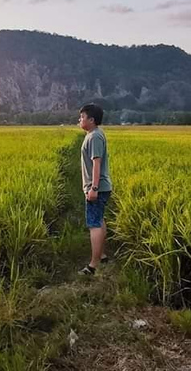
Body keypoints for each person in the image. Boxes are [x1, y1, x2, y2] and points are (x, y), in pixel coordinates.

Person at [77, 103, 113, 276]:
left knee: (94, 225)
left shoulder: (94, 137)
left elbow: (96, 164)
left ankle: (93, 265)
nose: (80, 120)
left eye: (82, 117)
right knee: (99, 220)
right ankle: (102, 255)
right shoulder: (94, 135)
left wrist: (94, 188)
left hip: (97, 188)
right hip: (98, 187)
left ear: (91, 120)